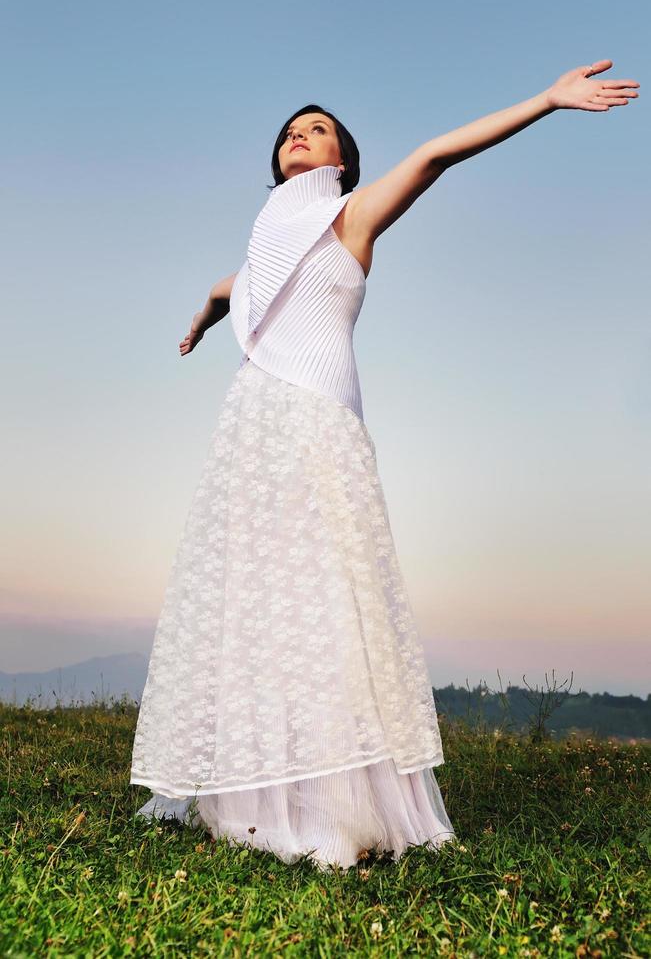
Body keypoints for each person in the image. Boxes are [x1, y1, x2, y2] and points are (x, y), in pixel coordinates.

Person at [129, 60, 639, 870]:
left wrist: (546, 101)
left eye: (318, 128)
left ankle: (338, 803)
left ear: (341, 161)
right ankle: (254, 787)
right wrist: (201, 317)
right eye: (290, 130)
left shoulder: (351, 216)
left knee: (327, 602)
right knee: (259, 603)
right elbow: (231, 288)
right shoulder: (267, 247)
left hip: (318, 430)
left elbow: (436, 154)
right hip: (252, 433)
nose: (300, 133)